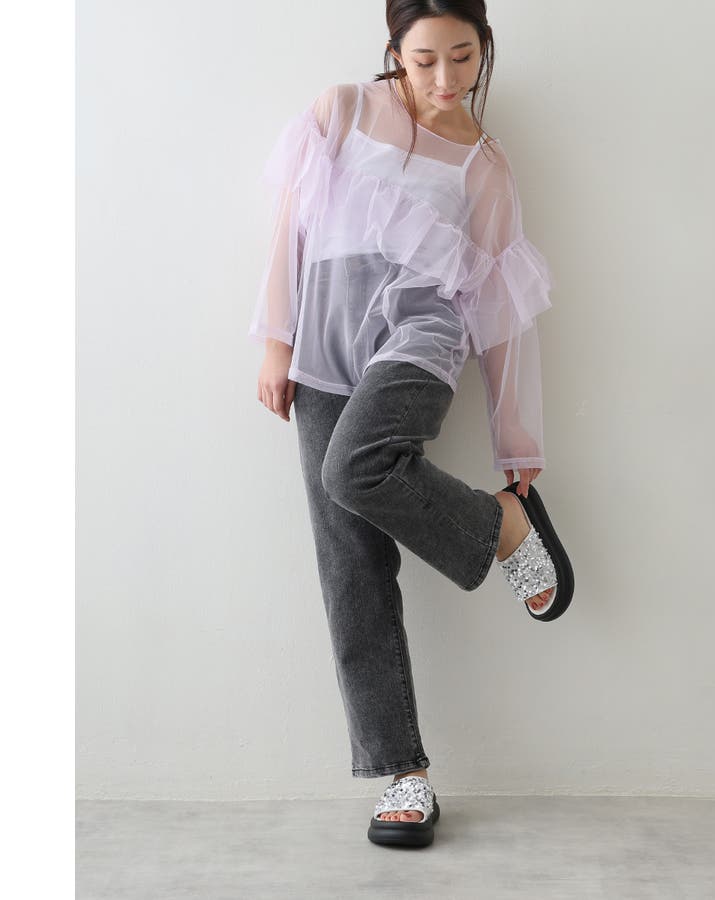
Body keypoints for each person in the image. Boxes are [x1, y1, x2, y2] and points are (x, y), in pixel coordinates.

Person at [248, 3, 573, 847]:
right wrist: (276, 340)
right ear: (393, 50)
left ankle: (505, 524)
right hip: (323, 346)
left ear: (484, 49)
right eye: (424, 60)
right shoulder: (340, 111)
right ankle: (403, 774)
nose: (444, 79)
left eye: (463, 57)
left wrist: (516, 444)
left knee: (352, 468)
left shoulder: (485, 167)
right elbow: (289, 228)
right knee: (348, 564)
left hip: (420, 338)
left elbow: (503, 319)